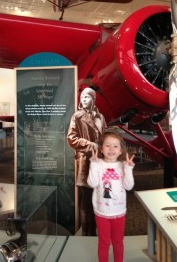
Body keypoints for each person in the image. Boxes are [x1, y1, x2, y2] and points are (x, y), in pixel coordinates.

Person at [87, 131, 135, 262]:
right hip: (101, 212)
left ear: (121, 151)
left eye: (115, 146)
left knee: (118, 241)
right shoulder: (97, 164)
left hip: (119, 211)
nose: (111, 149)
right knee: (104, 242)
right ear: (101, 148)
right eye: (107, 145)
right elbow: (92, 183)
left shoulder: (123, 166)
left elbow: (129, 186)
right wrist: (93, 165)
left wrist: (129, 169)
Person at [67, 87, 107, 236]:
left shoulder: (100, 117)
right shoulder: (77, 116)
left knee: (98, 197)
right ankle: (86, 233)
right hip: (85, 161)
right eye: (82, 96)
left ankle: (96, 231)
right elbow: (71, 139)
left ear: (93, 99)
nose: (83, 99)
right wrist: (91, 145)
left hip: (99, 162)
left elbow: (105, 135)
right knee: (86, 199)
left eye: (87, 97)